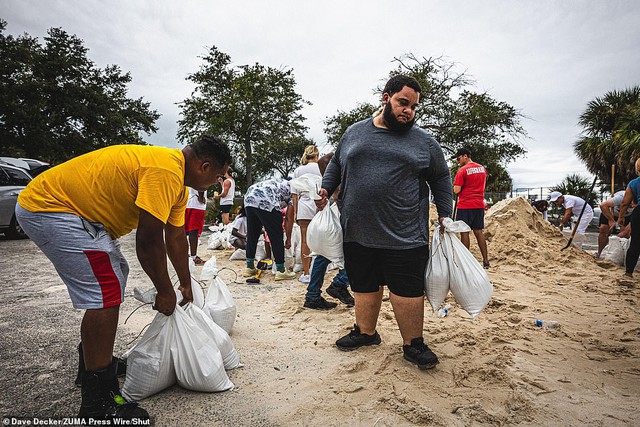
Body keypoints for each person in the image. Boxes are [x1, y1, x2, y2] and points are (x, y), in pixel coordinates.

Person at [15, 135, 231, 420]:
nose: (216, 183)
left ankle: (94, 363)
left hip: (80, 216)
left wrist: (185, 282)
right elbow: (148, 241)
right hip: (52, 209)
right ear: (203, 167)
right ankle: (96, 403)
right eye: (217, 177)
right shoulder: (166, 171)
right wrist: (165, 291)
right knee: (106, 289)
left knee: (116, 275)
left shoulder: (177, 183)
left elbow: (175, 236)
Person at [317, 75, 453, 370]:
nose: (409, 112)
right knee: (364, 284)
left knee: (406, 290)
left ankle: (413, 344)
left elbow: (441, 176)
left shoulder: (423, 142)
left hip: (404, 233)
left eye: (414, 107)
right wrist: (327, 187)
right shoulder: (354, 132)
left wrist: (445, 212)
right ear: (386, 97)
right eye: (403, 103)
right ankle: (366, 333)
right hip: (357, 228)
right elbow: (338, 163)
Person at [304, 152, 354, 310]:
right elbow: (323, 161)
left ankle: (312, 295)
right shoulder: (349, 147)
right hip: (346, 206)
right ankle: (339, 283)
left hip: (341, 205)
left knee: (324, 253)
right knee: (357, 249)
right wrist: (336, 190)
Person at [243, 178, 297, 281]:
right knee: (276, 236)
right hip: (267, 200)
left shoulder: (280, 183)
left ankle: (249, 267)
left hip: (249, 198)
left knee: (252, 233)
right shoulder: (294, 191)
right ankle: (281, 271)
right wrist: (288, 238)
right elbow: (289, 218)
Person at [451, 148, 490, 268]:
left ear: (465, 156)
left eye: (458, 158)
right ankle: (486, 261)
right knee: (479, 232)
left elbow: (456, 190)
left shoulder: (462, 170)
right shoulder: (482, 169)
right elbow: (482, 186)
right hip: (478, 204)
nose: (457, 161)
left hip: (465, 205)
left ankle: (465, 261)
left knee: (464, 232)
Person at [292, 145, 322, 284]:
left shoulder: (298, 170)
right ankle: (320, 269)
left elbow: (294, 194)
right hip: (318, 203)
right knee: (321, 238)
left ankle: (306, 272)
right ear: (317, 155)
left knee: (305, 240)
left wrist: (296, 213)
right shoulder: (321, 167)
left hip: (303, 204)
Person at [618, 158, 640, 277]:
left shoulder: (634, 183)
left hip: (639, 212)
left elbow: (625, 203)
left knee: (635, 242)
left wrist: (621, 217)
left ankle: (628, 273)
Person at [597, 190, 633, 257]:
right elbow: (603, 206)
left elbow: (629, 227)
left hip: (627, 216)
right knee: (603, 229)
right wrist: (611, 220)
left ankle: (621, 256)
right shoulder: (621, 197)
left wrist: (617, 238)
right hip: (611, 212)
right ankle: (599, 253)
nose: (632, 206)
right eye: (631, 204)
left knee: (625, 234)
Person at [184, 186, 208, 265]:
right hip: (197, 204)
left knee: (185, 231)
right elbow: (201, 182)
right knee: (194, 231)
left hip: (188, 203)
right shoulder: (203, 172)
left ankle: (184, 255)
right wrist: (201, 196)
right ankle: (194, 257)